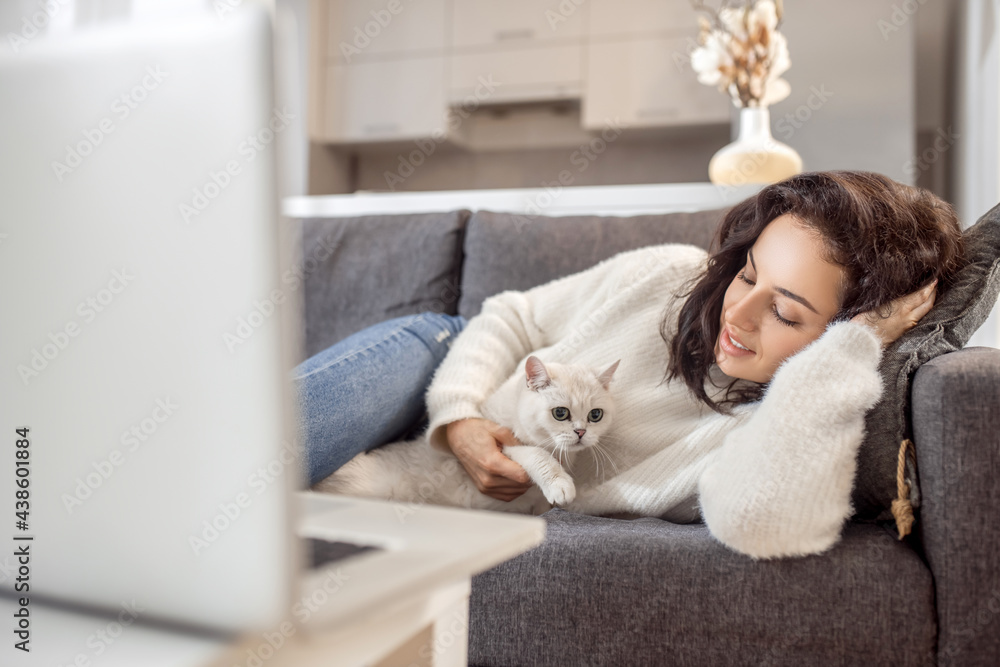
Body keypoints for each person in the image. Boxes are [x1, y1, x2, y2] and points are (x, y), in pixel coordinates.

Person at [293, 171, 965, 559]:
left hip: (456, 473)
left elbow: (764, 522)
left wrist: (855, 347)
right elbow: (510, 316)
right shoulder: (671, 275)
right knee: (250, 460)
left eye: (786, 313)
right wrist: (461, 415)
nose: (737, 315)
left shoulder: (760, 431)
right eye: (747, 276)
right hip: (440, 361)